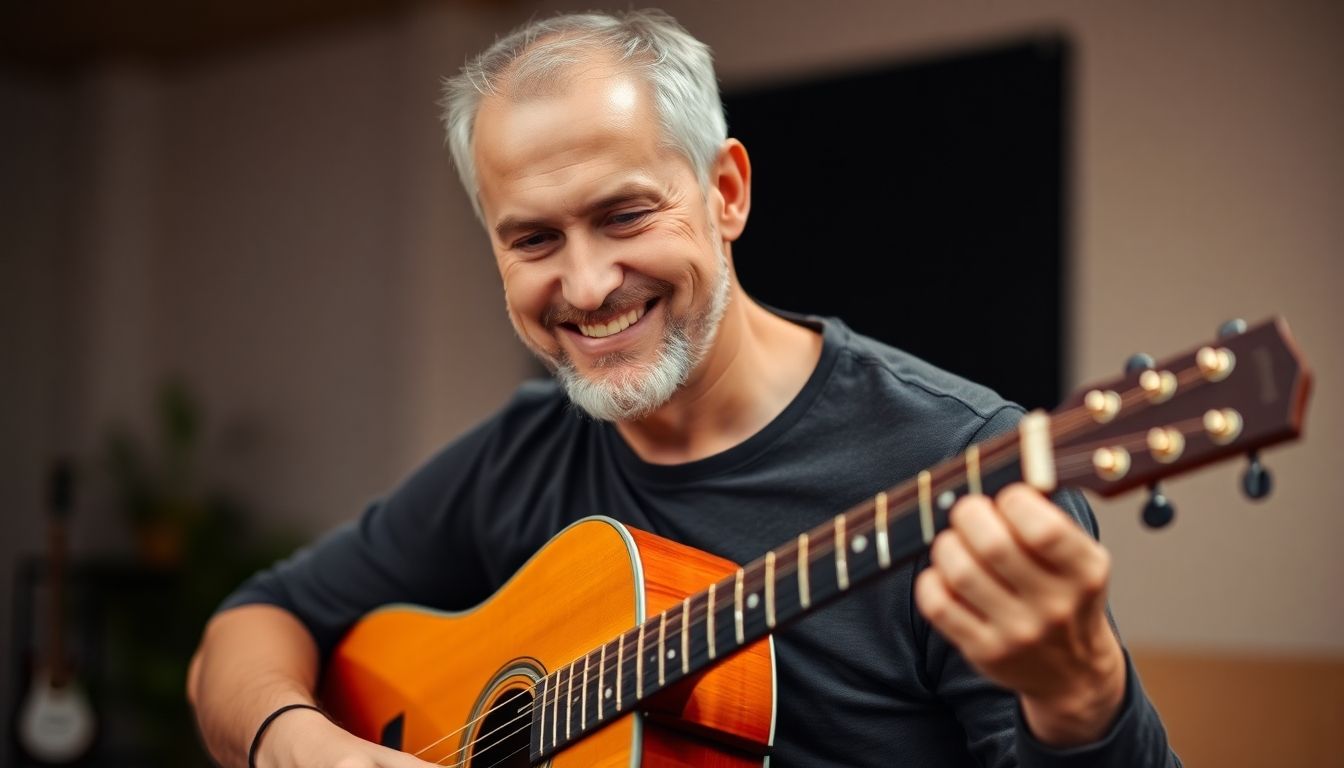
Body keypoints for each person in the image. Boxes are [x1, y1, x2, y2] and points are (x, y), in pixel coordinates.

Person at [188, 9, 1180, 767]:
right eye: (533, 238)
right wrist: (297, 742)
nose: (582, 287)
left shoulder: (962, 467)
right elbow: (250, 625)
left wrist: (1084, 693)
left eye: (624, 214)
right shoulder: (524, 451)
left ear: (727, 192)